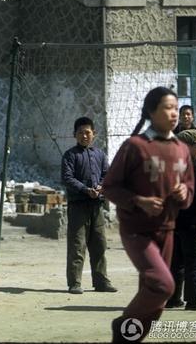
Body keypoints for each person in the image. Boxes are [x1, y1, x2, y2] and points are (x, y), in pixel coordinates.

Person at [103, 87, 194, 343]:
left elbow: (190, 192)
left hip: (168, 229)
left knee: (157, 305)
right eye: (167, 108)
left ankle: (125, 339)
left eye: (176, 108)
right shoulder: (135, 146)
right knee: (164, 285)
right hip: (137, 231)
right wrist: (138, 201)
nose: (174, 113)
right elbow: (109, 187)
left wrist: (182, 192)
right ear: (151, 112)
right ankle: (122, 325)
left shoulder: (182, 149)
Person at [61, 117, 117, 294]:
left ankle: (101, 282)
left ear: (94, 134)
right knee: (78, 245)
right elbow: (67, 178)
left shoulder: (100, 154)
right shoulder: (70, 155)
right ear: (74, 135)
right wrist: (85, 190)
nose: (84, 136)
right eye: (80, 133)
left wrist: (101, 187)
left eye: (87, 132)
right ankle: (74, 283)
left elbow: (107, 174)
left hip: (97, 207)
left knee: (99, 244)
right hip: (78, 206)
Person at [166, 129, 196, 310]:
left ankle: (173, 298)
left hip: (175, 222)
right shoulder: (191, 166)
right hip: (192, 222)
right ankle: (193, 300)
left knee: (177, 262)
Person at [174, 105, 196, 179]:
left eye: (188, 114)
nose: (186, 116)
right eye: (183, 114)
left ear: (192, 117)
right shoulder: (173, 135)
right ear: (179, 117)